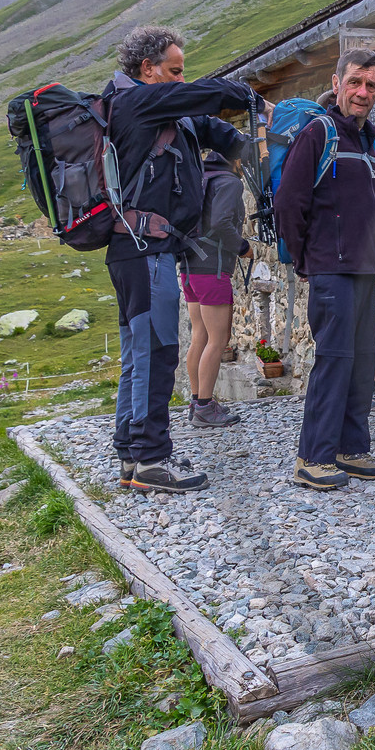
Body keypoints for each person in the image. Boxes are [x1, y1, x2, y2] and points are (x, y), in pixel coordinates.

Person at [104, 25, 270, 493]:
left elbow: (215, 130)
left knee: (138, 356)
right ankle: (153, 461)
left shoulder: (159, 109)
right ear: (147, 70)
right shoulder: (136, 101)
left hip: (140, 250)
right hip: (143, 250)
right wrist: (246, 94)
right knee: (156, 353)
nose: (181, 79)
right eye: (174, 71)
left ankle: (131, 458)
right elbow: (208, 96)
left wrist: (274, 125)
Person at [275, 49, 375, 491]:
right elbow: (288, 203)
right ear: (336, 83)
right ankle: (314, 456)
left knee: (363, 361)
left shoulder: (369, 141)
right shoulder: (318, 134)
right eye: (355, 83)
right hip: (332, 268)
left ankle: (351, 448)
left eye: (371, 86)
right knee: (334, 360)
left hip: (365, 269)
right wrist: (308, 259)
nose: (363, 93)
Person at [181, 150, 252, 429]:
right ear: (235, 160)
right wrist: (243, 247)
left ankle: (197, 400)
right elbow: (221, 222)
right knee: (218, 340)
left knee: (199, 336)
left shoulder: (199, 178)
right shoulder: (230, 182)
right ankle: (204, 408)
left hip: (188, 268)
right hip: (213, 267)